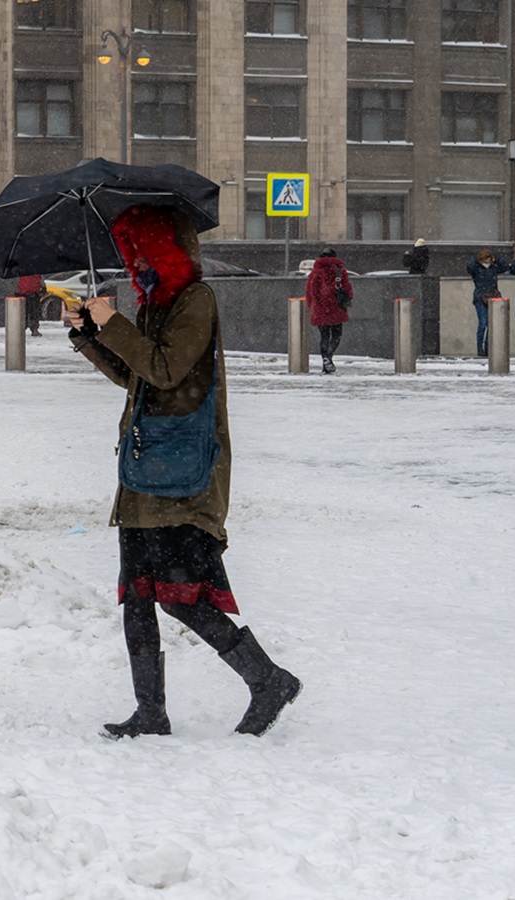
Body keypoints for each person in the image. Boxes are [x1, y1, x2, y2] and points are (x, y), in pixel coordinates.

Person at [66, 204, 301, 739]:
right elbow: (137, 375)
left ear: (167, 252)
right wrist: (88, 335)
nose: (137, 263)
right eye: (132, 255)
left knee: (180, 594)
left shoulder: (196, 300)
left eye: (145, 252)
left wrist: (114, 323)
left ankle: (268, 680)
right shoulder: (154, 304)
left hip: (185, 471)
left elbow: (168, 370)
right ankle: (151, 711)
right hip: (147, 469)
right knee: (138, 596)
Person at [305, 248, 353, 375]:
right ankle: (329, 356)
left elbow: (310, 293)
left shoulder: (315, 273)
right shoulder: (340, 271)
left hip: (320, 308)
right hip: (336, 307)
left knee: (324, 336)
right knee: (336, 335)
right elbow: (348, 289)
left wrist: (313, 306)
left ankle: (325, 360)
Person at [466, 248, 510, 357]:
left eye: (488, 258)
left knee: (491, 324)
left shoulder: (493, 268)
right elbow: (470, 267)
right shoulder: (476, 269)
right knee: (483, 322)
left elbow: (505, 267)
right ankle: (480, 348)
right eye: (484, 258)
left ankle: (487, 348)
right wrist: (476, 260)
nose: (487, 261)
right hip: (481, 298)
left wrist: (497, 260)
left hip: (491, 296)